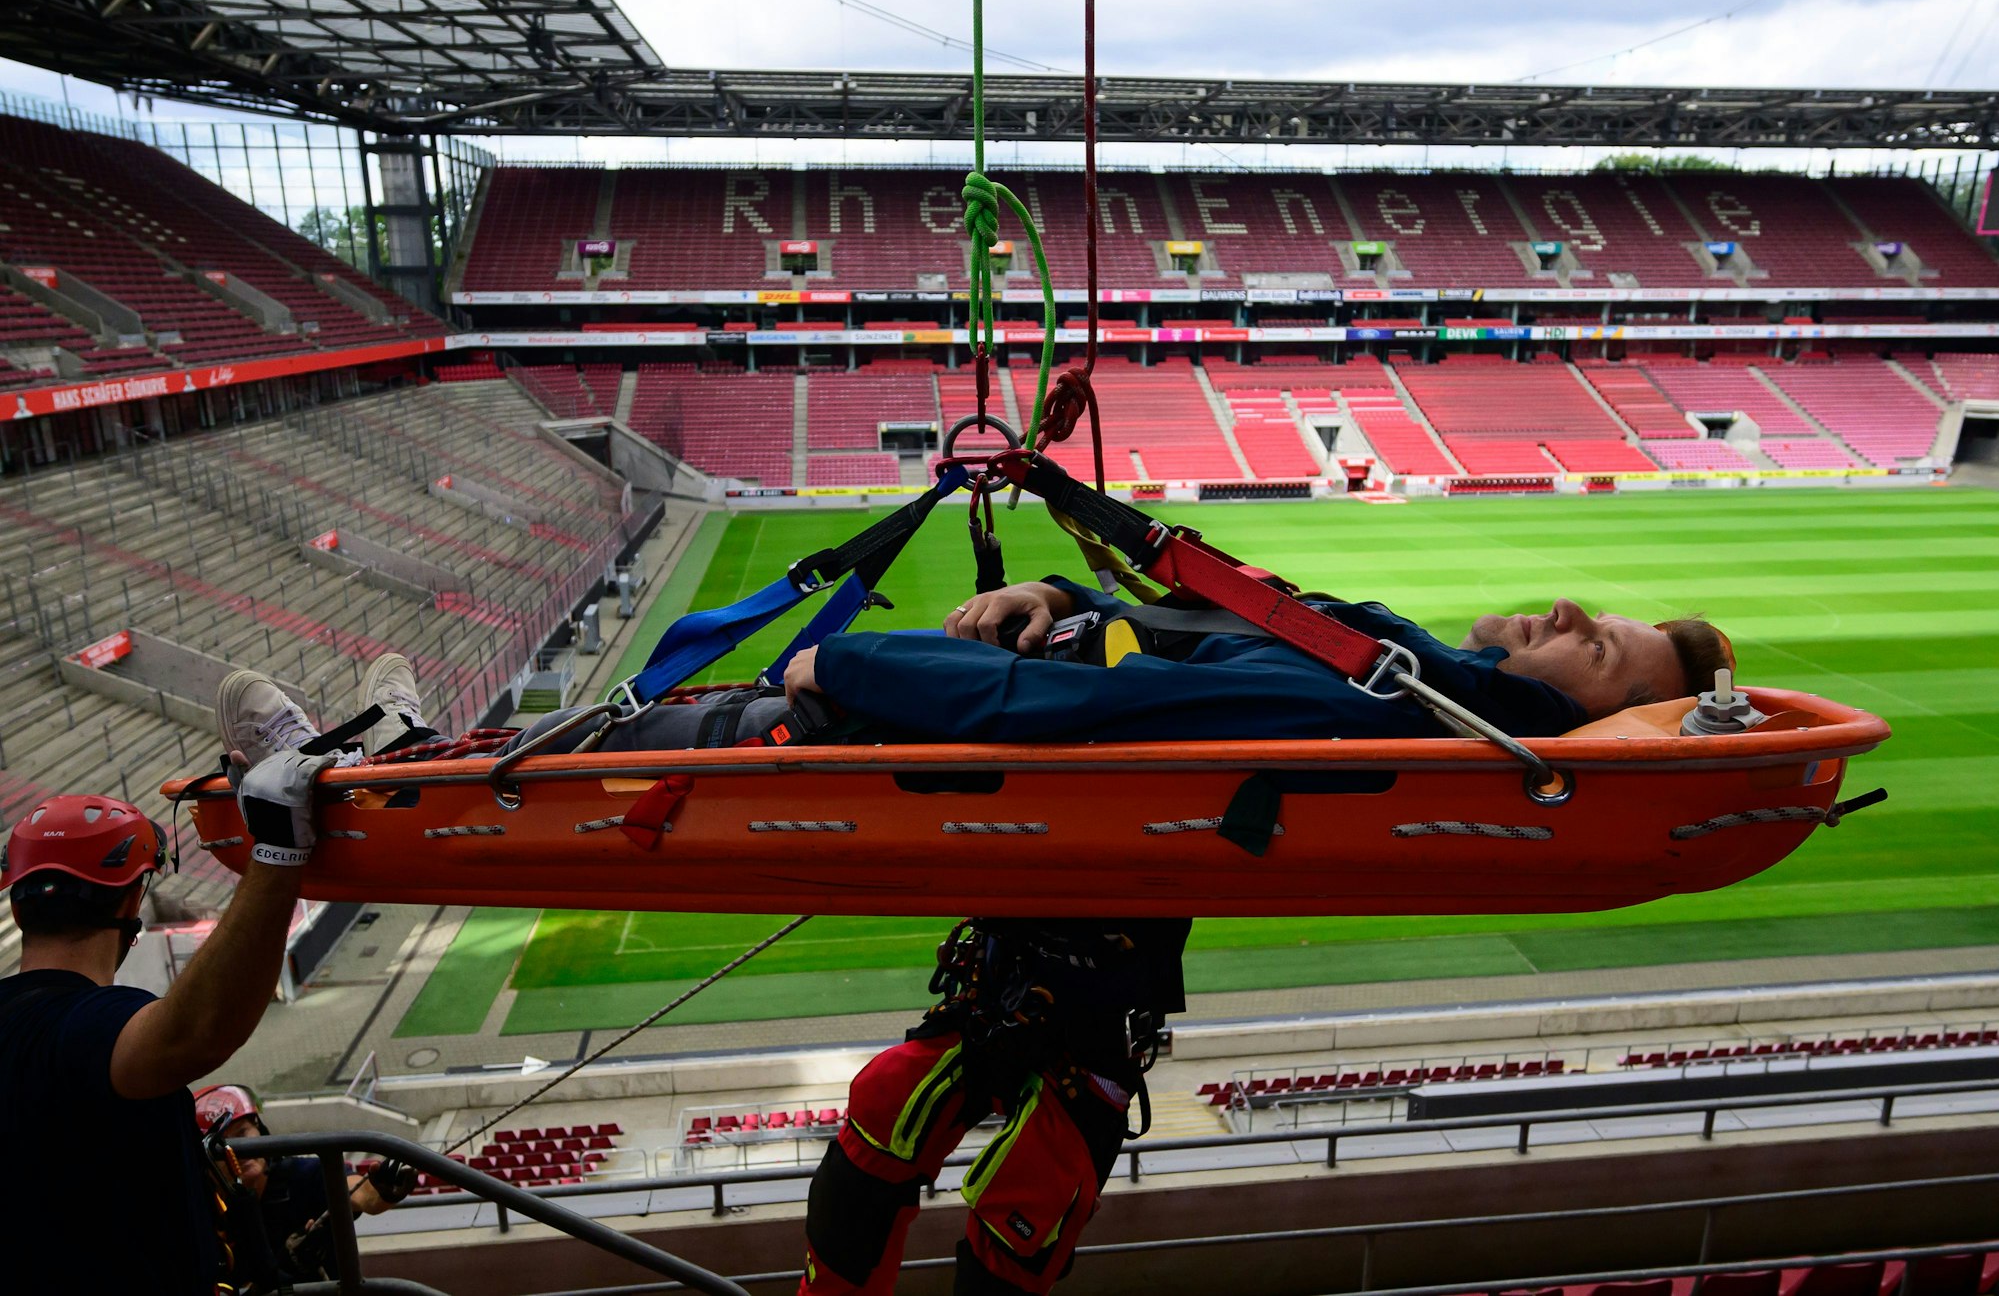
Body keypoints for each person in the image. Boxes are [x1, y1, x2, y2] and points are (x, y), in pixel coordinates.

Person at [230, 569, 1731, 1296]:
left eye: (1588, 641)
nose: (1560, 609)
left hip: (1014, 904)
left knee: (980, 1156)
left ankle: (351, 779)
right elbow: (1257, 615)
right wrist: (1070, 587)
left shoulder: (1392, 711)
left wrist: (855, 657)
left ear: (1566, 706)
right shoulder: (1398, 678)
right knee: (948, 1134)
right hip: (1060, 957)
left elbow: (1097, 714)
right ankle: (372, 765)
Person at [0, 677, 343, 1295]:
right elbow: (198, 1029)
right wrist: (279, 851)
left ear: (18, 911)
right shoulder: (91, 1027)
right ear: (134, 898)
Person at [194, 1083, 415, 1292]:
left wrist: (379, 1192)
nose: (237, 1150)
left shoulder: (302, 1177)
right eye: (220, 1143)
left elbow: (355, 1192)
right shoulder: (200, 1210)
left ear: (260, 1130)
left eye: (242, 1133)